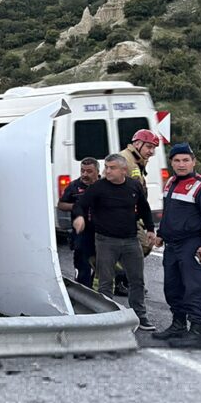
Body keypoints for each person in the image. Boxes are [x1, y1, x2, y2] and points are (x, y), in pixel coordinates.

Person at [150, 143, 201, 349]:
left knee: (195, 288)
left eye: (185, 160)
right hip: (172, 246)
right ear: (171, 162)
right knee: (172, 288)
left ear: (194, 161)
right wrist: (161, 234)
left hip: (193, 245)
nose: (181, 164)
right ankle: (178, 325)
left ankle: (196, 332)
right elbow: (170, 214)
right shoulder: (171, 182)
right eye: (177, 160)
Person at [72, 154, 157, 331]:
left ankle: (139, 316)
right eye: (106, 167)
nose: (107, 171)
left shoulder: (133, 186)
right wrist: (79, 217)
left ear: (123, 170)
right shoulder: (98, 188)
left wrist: (150, 229)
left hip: (130, 240)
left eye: (112, 168)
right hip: (106, 241)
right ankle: (107, 317)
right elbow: (80, 204)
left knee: (137, 280)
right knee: (105, 281)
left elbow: (144, 208)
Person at [58, 158, 100, 286]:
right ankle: (83, 293)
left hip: (101, 234)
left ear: (97, 172)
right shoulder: (74, 186)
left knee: (102, 269)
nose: (84, 175)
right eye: (82, 171)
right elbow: (61, 204)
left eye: (89, 171)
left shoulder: (104, 185)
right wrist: (76, 206)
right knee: (83, 269)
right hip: (81, 234)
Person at [120, 129, 160, 258]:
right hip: (122, 215)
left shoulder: (136, 161)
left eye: (153, 148)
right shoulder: (125, 160)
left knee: (145, 246)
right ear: (137, 144)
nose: (151, 152)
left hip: (132, 214)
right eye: (149, 147)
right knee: (144, 246)